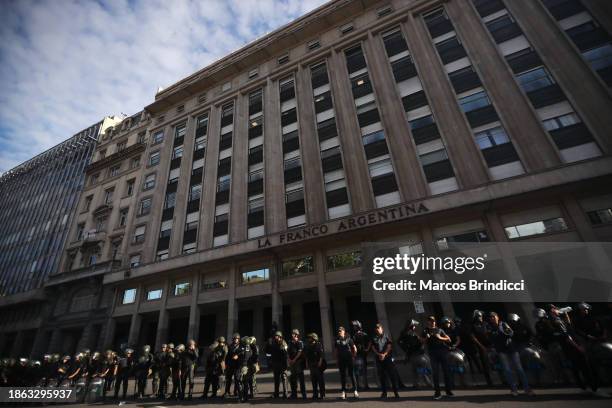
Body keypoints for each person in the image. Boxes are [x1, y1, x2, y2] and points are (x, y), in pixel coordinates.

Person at [548, 304, 606, 397]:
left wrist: (565, 313)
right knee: (585, 368)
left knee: (576, 369)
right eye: (554, 309)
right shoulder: (557, 321)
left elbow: (569, 325)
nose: (557, 310)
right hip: (573, 348)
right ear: (552, 312)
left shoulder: (556, 320)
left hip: (568, 349)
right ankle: (595, 389)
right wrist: (579, 347)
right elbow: (568, 337)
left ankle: (584, 388)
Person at [486, 312, 533, 396]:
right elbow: (491, 339)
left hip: (512, 349)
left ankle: (527, 389)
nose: (492, 318)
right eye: (490, 317)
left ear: (497, 317)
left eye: (493, 316)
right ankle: (514, 390)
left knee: (519, 369)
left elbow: (511, 333)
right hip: (501, 351)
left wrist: (505, 332)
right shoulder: (490, 328)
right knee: (507, 370)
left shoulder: (503, 324)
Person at [423, 316, 453, 400]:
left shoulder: (440, 330)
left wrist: (440, 337)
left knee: (446, 372)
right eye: (431, 321)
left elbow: (449, 340)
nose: (433, 322)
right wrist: (426, 338)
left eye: (434, 321)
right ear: (428, 322)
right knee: (435, 374)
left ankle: (448, 391)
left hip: (443, 352)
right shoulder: (425, 331)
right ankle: (437, 393)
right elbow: (422, 341)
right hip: (433, 354)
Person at [398, 319, 432, 388]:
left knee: (415, 369)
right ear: (411, 326)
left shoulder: (404, 333)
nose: (415, 327)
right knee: (422, 369)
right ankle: (427, 383)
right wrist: (426, 338)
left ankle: (416, 383)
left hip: (412, 354)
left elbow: (399, 342)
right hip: (418, 353)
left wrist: (406, 349)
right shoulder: (412, 334)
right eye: (414, 326)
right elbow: (420, 342)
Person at [371, 323, 400, 399]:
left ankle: (396, 392)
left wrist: (384, 354)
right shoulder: (374, 338)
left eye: (378, 328)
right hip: (379, 359)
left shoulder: (386, 336)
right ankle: (384, 393)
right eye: (376, 328)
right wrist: (379, 354)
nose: (377, 329)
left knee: (392, 375)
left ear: (382, 328)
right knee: (382, 376)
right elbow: (373, 347)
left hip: (387, 358)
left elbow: (389, 346)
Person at [470, 309, 493, 386]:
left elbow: (491, 333)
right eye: (479, 316)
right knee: (485, 363)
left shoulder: (486, 324)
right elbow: (474, 338)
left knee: (495, 361)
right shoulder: (473, 326)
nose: (480, 317)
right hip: (481, 346)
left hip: (490, 345)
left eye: (481, 316)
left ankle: (503, 379)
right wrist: (481, 346)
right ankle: (489, 381)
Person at [334, 326, 358, 399]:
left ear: (344, 331)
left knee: (352, 374)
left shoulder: (349, 339)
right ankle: (343, 392)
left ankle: (355, 391)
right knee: (343, 376)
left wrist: (353, 356)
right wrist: (336, 359)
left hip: (349, 359)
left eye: (341, 331)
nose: (339, 332)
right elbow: (336, 350)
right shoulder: (337, 340)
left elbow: (354, 348)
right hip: (341, 360)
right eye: (338, 331)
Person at [267, 331, 289, 398]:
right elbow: (268, 352)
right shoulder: (273, 343)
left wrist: (286, 364)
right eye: (275, 336)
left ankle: (285, 394)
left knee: (284, 378)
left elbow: (286, 353)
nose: (275, 337)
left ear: (280, 336)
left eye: (276, 336)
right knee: (276, 379)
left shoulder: (283, 343)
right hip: (275, 363)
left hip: (282, 363)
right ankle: (276, 393)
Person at [304, 332, 325, 399]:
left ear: (314, 338)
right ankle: (315, 394)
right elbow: (307, 355)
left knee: (320, 380)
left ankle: (322, 394)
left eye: (310, 337)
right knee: (313, 380)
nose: (309, 339)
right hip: (311, 364)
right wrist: (307, 363)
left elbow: (321, 354)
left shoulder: (318, 345)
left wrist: (320, 362)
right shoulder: (308, 345)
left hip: (318, 364)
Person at [351, 320, 371, 390]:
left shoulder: (362, 334)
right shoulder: (355, 335)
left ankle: (363, 385)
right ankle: (362, 385)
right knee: (360, 370)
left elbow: (369, 342)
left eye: (355, 326)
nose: (354, 327)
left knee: (360, 370)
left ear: (358, 326)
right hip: (359, 354)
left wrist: (367, 349)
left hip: (360, 354)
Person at [287, 329, 307, 399]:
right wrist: (289, 359)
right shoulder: (290, 342)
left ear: (297, 335)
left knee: (301, 378)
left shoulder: (300, 342)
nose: (292, 335)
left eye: (294, 334)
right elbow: (288, 351)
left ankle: (303, 394)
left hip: (298, 362)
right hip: (292, 363)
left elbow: (300, 352)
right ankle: (294, 394)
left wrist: (294, 360)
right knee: (293, 378)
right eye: (292, 333)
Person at [224, 333, 242, 397]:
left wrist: (238, 356)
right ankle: (227, 391)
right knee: (228, 379)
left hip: (237, 365)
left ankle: (236, 391)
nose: (235, 340)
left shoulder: (241, 346)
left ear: (239, 339)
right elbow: (227, 356)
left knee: (237, 379)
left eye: (237, 339)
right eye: (234, 339)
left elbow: (243, 355)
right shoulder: (230, 346)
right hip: (230, 365)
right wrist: (225, 365)